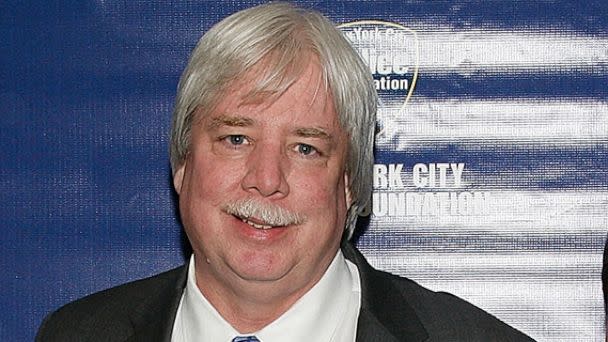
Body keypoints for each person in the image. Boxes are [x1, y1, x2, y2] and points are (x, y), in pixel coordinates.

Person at [36, 2, 535, 341]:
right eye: (236, 139)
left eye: (304, 148)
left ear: (350, 183)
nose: (266, 178)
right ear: (183, 164)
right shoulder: (75, 334)